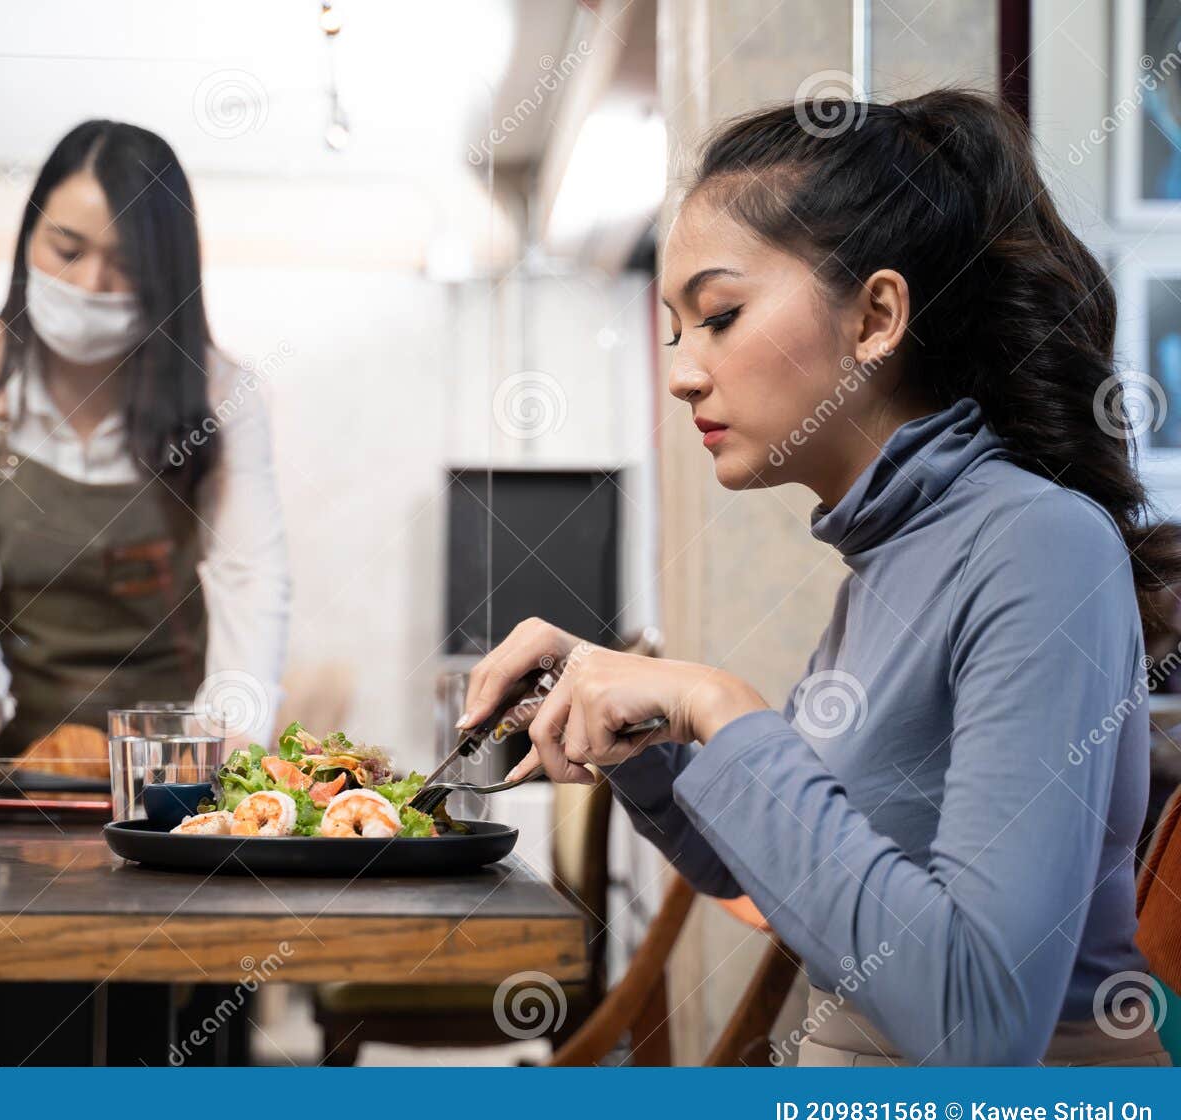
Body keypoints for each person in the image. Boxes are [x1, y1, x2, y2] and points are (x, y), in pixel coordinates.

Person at [461, 90, 1175, 1066]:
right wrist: (645, 734)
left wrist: (717, 705)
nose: (682, 372)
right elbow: (769, 870)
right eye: (677, 331)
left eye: (718, 314)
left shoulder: (1039, 544)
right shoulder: (890, 555)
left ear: (877, 315)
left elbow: (982, 1024)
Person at [0, 121, 289, 758]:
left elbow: (250, 575)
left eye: (126, 265)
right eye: (67, 249)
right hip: (16, 754)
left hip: (173, 759)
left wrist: (231, 720)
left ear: (167, 276)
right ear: (30, 234)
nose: (90, 285)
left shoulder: (223, 394)